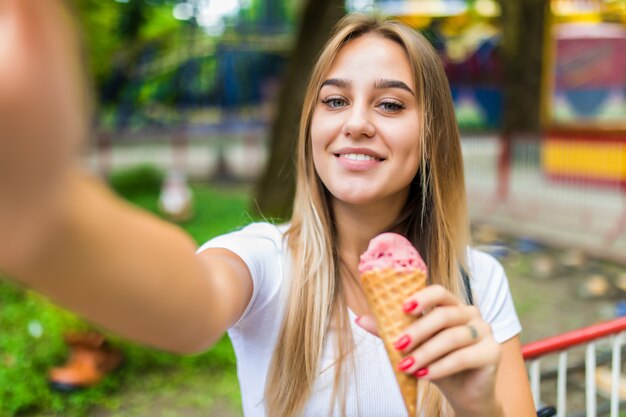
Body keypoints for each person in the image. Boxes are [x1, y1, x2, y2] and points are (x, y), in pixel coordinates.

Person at [0, 1, 535, 416]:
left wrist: (476, 406)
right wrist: (43, 211)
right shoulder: (265, 261)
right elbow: (191, 303)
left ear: (431, 135)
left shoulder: (477, 281)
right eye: (334, 100)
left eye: (390, 104)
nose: (355, 123)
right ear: (310, 127)